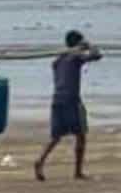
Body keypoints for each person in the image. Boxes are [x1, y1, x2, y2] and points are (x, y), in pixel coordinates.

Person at [35, 30, 103, 182]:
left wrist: (80, 49)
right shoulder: (74, 57)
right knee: (81, 135)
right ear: (77, 44)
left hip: (57, 99)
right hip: (71, 99)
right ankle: (78, 172)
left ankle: (40, 160)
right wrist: (88, 46)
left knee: (56, 137)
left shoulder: (58, 60)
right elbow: (97, 55)